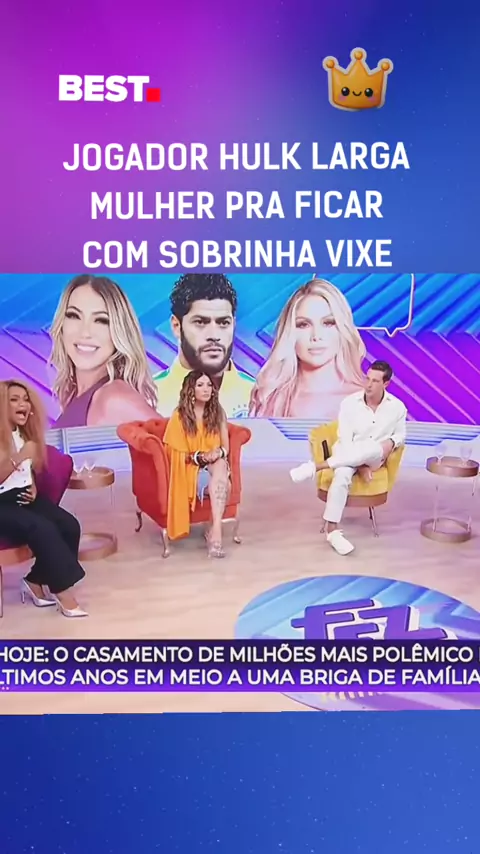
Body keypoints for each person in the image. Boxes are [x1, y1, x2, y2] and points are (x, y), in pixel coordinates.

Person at [290, 361, 407, 555]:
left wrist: (392, 442)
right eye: (367, 378)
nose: (368, 384)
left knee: (375, 447)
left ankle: (315, 467)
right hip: (348, 451)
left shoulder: (397, 407)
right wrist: (360, 466)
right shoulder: (349, 403)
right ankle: (332, 530)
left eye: (375, 381)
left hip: (376, 457)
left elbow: (401, 435)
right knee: (342, 475)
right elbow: (344, 438)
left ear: (386, 384)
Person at [0, 381, 87, 617]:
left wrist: (33, 487)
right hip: (2, 505)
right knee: (42, 529)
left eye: (26, 399)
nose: (23, 404)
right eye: (14, 399)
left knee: (69, 525)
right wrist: (20, 456)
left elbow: (26, 470)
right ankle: (64, 594)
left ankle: (35, 580)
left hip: (24, 497)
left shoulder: (23, 434)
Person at [49, 274, 158, 428]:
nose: (85, 332)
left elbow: (176, 441)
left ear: (120, 331)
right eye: (74, 316)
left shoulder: (114, 398)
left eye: (101, 320)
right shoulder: (75, 396)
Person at [249, 277, 366, 419]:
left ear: (342, 328)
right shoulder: (269, 398)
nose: (316, 336)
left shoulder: (368, 400)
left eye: (328, 323)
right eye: (303, 325)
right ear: (290, 332)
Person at [153, 274, 253, 418]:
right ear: (176, 326)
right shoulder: (147, 397)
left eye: (223, 323)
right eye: (200, 322)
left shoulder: (260, 397)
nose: (214, 335)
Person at [163, 370, 231, 558]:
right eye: (200, 385)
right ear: (190, 390)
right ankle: (214, 534)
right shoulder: (179, 416)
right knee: (224, 482)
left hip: (214, 464)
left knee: (221, 464)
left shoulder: (218, 412)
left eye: (209, 385)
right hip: (190, 468)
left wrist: (218, 452)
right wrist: (200, 457)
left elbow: (226, 446)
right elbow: (176, 453)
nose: (206, 389)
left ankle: (215, 531)